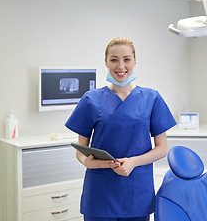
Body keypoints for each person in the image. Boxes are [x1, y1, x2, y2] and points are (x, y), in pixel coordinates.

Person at [65, 37, 176, 221]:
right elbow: (80, 150)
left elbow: (162, 148)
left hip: (136, 190)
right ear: (106, 63)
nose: (121, 66)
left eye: (126, 59)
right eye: (114, 59)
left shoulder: (151, 98)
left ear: (134, 61)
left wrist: (133, 162)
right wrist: (87, 162)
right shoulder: (90, 99)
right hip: (99, 191)